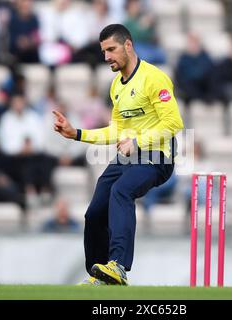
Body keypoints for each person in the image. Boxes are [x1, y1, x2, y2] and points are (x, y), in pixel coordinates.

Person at [53, 24, 184, 286]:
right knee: (95, 213)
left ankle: (119, 267)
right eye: (104, 52)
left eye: (111, 49)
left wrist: (136, 142)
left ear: (128, 45)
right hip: (129, 156)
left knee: (121, 191)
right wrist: (76, 133)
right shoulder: (116, 86)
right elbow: (116, 131)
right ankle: (99, 275)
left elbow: (174, 123)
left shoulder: (154, 78)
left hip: (157, 156)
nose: (107, 57)